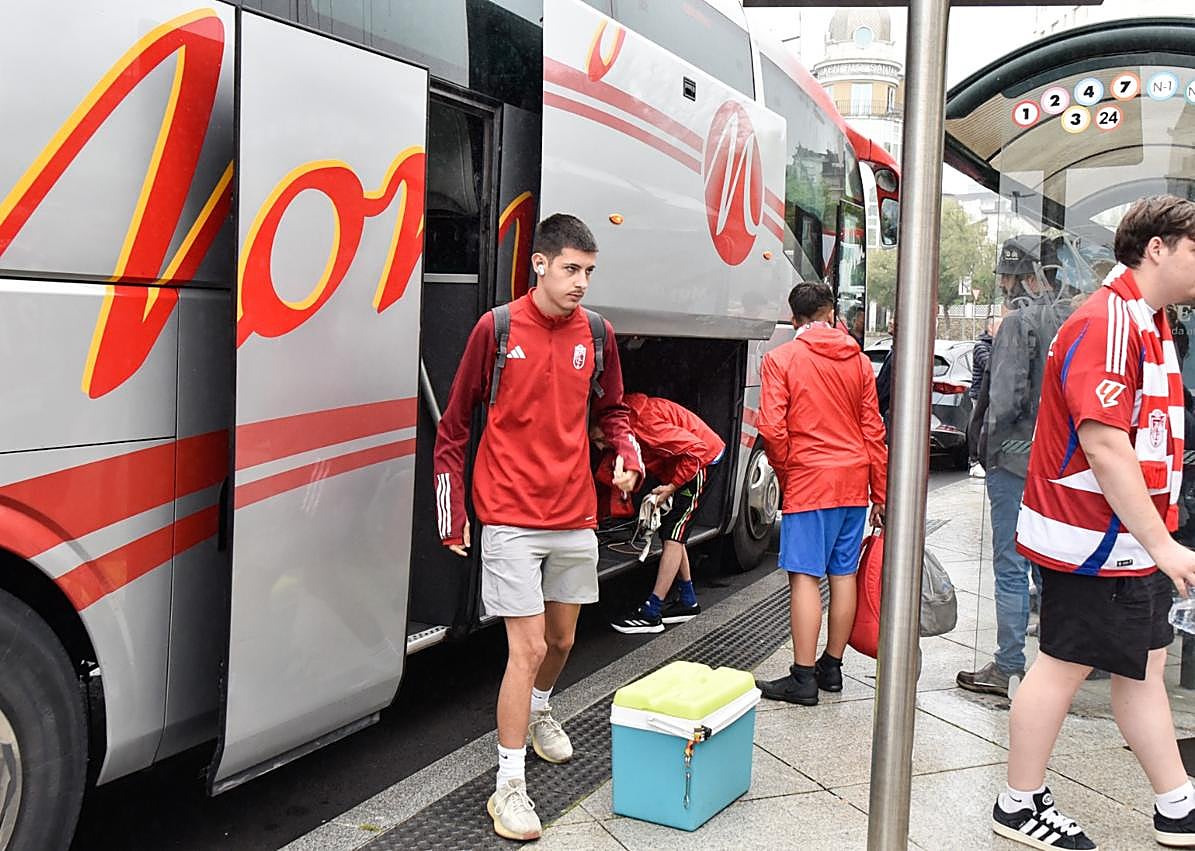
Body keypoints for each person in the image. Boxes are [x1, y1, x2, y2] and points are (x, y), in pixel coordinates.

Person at [993, 195, 1195, 850]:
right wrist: (1163, 543)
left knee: (1142, 668)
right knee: (1062, 665)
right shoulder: (1109, 321)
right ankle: (1017, 802)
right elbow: (1105, 444)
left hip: (1127, 541)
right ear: (1157, 248)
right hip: (1096, 541)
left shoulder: (1145, 319)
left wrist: (1158, 540)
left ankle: (1176, 803)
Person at [433, 214, 642, 842]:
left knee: (561, 641)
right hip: (508, 515)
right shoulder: (496, 329)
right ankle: (509, 786)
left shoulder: (597, 334)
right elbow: (454, 426)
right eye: (572, 269)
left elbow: (614, 412)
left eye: (589, 271)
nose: (581, 282)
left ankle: (542, 709)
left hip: (573, 512)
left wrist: (627, 455)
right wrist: (451, 512)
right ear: (540, 265)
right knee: (524, 650)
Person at [753, 281, 888, 705]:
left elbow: (771, 427)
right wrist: (880, 491)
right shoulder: (859, 361)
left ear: (794, 318)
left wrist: (786, 470)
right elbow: (873, 429)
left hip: (810, 480)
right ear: (831, 313)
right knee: (843, 573)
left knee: (805, 577)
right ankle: (832, 667)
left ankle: (803, 677)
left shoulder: (781, 359)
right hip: (854, 482)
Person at [957, 235, 1069, 698]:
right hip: (1056, 461)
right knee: (1049, 563)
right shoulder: (1069, 319)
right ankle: (1060, 663)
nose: (1003, 285)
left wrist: (985, 443)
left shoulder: (1018, 323)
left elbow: (1003, 399)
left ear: (1026, 279)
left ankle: (1007, 666)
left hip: (1015, 460)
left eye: (1007, 277)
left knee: (1010, 564)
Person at [591, 393, 726, 634]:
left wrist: (671, 487)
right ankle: (687, 600)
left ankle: (652, 612)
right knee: (673, 531)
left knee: (674, 534)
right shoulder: (629, 420)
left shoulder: (645, 424)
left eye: (601, 440)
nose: (600, 447)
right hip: (691, 461)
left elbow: (696, 451)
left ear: (611, 428)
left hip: (702, 462)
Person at [966, 315, 1001, 478]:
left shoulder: (998, 346)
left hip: (993, 395)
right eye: (999, 327)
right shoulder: (981, 347)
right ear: (990, 328)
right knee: (977, 426)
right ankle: (974, 461)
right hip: (980, 394)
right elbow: (992, 366)